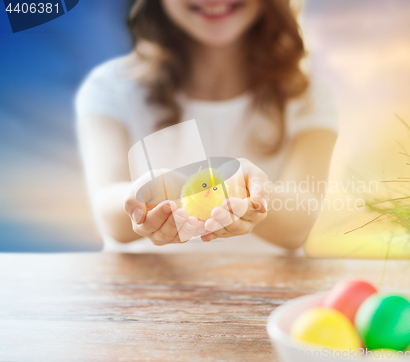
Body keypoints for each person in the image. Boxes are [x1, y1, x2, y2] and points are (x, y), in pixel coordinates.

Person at [76, 0, 338, 254]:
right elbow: (109, 214)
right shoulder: (110, 89)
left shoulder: (308, 96)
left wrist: (253, 195)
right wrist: (145, 194)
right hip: (142, 289)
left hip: (266, 293)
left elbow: (300, 223)